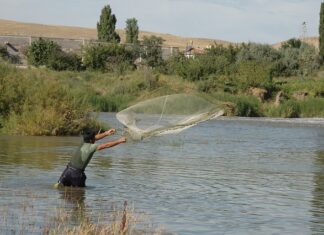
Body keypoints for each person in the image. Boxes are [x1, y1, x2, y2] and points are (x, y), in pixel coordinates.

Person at [56, 128, 126, 188]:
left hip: (67, 171)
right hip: (77, 175)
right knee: (79, 195)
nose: (95, 139)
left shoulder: (83, 142)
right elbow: (106, 145)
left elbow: (95, 137)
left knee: (59, 188)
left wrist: (107, 133)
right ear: (91, 140)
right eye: (93, 138)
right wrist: (119, 141)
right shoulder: (92, 147)